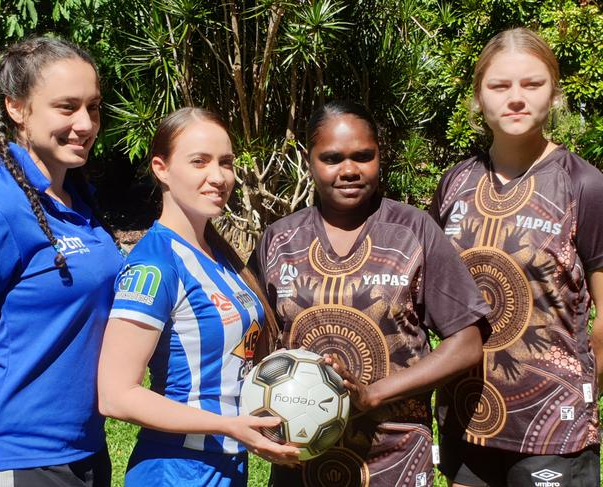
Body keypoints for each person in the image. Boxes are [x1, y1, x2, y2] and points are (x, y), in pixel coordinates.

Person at [251, 100, 490, 487]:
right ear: (309, 160)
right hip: (300, 458)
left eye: (364, 156)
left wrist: (374, 394)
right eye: (331, 158)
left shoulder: (415, 232)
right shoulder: (279, 240)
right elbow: (256, 336)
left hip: (395, 457)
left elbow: (466, 342)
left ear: (381, 156)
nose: (349, 170)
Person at [430, 27, 603, 487]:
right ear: (477, 99)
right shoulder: (454, 185)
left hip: (553, 426)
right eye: (500, 86)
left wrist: (580, 398)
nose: (516, 98)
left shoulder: (582, 185)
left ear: (555, 95)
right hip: (467, 418)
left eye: (532, 84)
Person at [97, 107, 301, 487]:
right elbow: (115, 395)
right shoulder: (155, 265)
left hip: (228, 467)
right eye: (199, 162)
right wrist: (229, 426)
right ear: (161, 168)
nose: (219, 177)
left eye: (226, 163)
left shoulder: (221, 257)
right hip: (175, 470)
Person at [0, 37, 123, 486]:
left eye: (93, 107)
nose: (85, 123)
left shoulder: (76, 199)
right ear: (17, 109)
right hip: (13, 455)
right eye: (66, 107)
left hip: (84, 451)